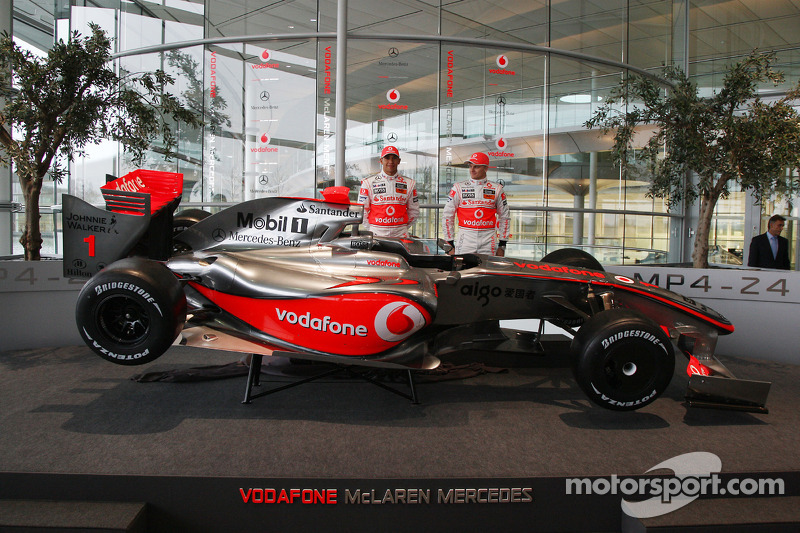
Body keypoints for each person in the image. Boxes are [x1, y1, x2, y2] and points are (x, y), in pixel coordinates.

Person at [443, 152, 511, 256]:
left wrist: (502, 245)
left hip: (488, 240)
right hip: (465, 239)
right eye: (470, 166)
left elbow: (504, 217)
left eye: (476, 167)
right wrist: (449, 243)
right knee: (463, 271)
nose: (472, 170)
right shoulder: (458, 188)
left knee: (487, 271)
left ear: (486, 168)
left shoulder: (497, 189)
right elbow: (447, 216)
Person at [358, 146, 419, 238]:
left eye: (394, 158)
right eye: (387, 158)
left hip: (401, 234)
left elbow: (414, 211)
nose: (391, 161)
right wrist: (372, 228)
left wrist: (403, 227)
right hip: (376, 234)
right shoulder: (368, 183)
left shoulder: (409, 183)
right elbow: (362, 210)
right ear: (381, 160)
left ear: (399, 161)